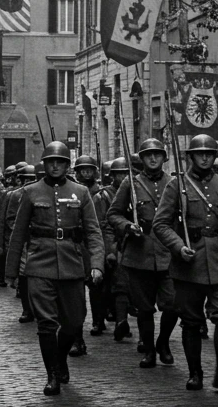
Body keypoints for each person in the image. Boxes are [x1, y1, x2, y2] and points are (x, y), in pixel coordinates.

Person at [5, 143, 105, 396]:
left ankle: (60, 359)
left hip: (72, 264)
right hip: (40, 263)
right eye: (51, 162)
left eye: (60, 161)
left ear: (67, 165)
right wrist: (12, 270)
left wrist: (96, 264)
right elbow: (18, 234)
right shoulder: (30, 192)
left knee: (73, 323)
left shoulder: (81, 192)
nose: (56, 166)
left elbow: (93, 231)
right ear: (44, 164)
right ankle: (52, 375)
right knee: (47, 324)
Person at [152, 134, 218, 391]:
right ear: (191, 157)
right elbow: (160, 224)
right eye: (200, 153)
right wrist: (177, 246)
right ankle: (195, 373)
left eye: (209, 153)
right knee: (192, 321)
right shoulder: (176, 186)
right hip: (189, 263)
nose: (205, 157)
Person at [108, 140, 177, 367]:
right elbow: (114, 214)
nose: (153, 159)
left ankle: (163, 342)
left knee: (172, 305)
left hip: (168, 252)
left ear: (164, 157)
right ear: (143, 159)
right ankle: (149, 350)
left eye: (157, 155)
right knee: (144, 308)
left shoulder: (174, 183)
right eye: (149, 155)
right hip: (140, 253)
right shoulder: (131, 182)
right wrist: (128, 226)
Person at [74, 155, 113, 335]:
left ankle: (98, 319)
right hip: (77, 242)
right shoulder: (74, 191)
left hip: (95, 241)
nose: (86, 173)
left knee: (97, 284)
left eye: (89, 169)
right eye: (83, 170)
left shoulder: (102, 193)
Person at [95, 157, 132, 341]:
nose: (124, 177)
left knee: (124, 286)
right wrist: (109, 250)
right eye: (120, 174)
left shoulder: (134, 193)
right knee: (103, 287)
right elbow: (103, 225)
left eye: (127, 173)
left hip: (131, 244)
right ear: (113, 176)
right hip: (111, 245)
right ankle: (99, 320)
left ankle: (121, 320)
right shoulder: (104, 196)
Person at [0, 163, 35, 321]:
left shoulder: (41, 193)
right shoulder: (14, 195)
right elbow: (10, 218)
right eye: (25, 179)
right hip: (24, 240)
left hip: (39, 239)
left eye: (31, 179)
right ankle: (27, 309)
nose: (28, 182)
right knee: (24, 274)